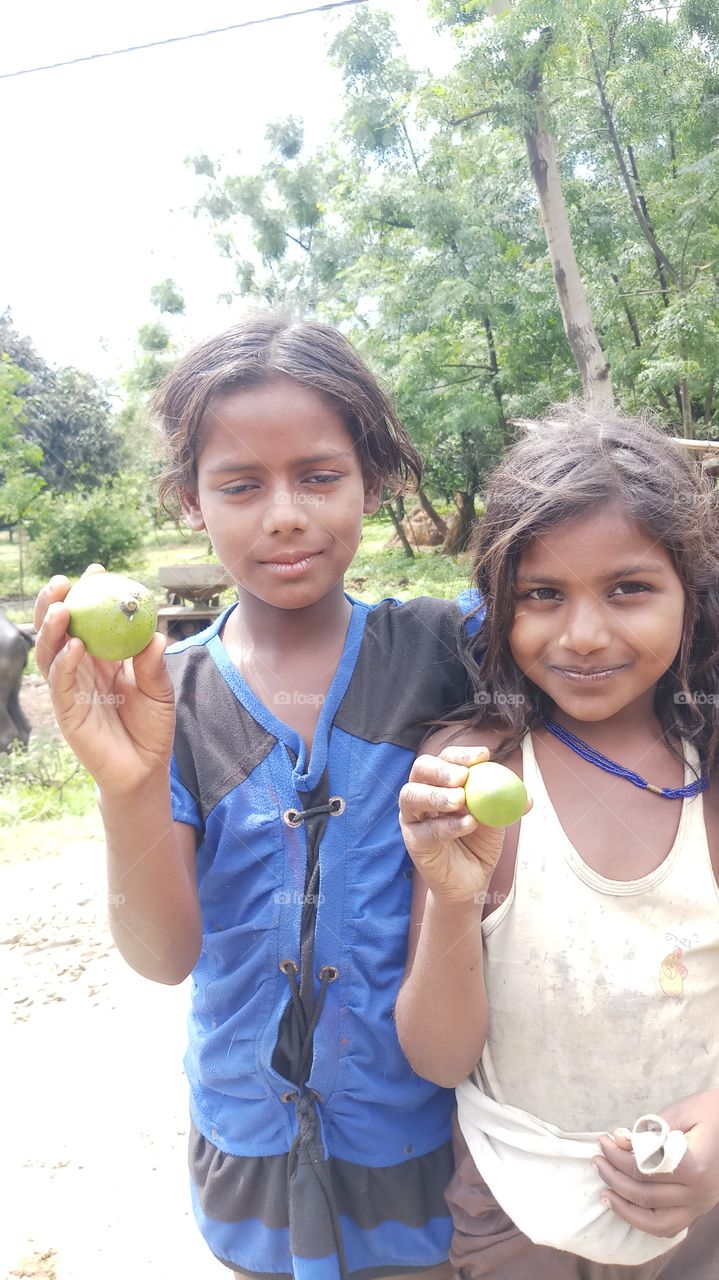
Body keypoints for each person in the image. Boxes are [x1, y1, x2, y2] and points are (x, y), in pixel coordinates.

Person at [33, 314, 478, 1280]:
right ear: (190, 502)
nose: (284, 514)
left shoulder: (447, 654)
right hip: (246, 1147)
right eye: (241, 485)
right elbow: (164, 957)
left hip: (417, 1140)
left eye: (319, 476)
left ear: (374, 477)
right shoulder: (175, 692)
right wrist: (129, 785)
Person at [395, 410, 719, 1279]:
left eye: (627, 589)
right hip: (514, 1213)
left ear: (690, 596)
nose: (581, 635)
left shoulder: (710, 778)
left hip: (700, 1217)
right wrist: (455, 894)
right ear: (499, 604)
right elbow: (437, 1056)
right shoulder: (470, 773)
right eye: (542, 594)